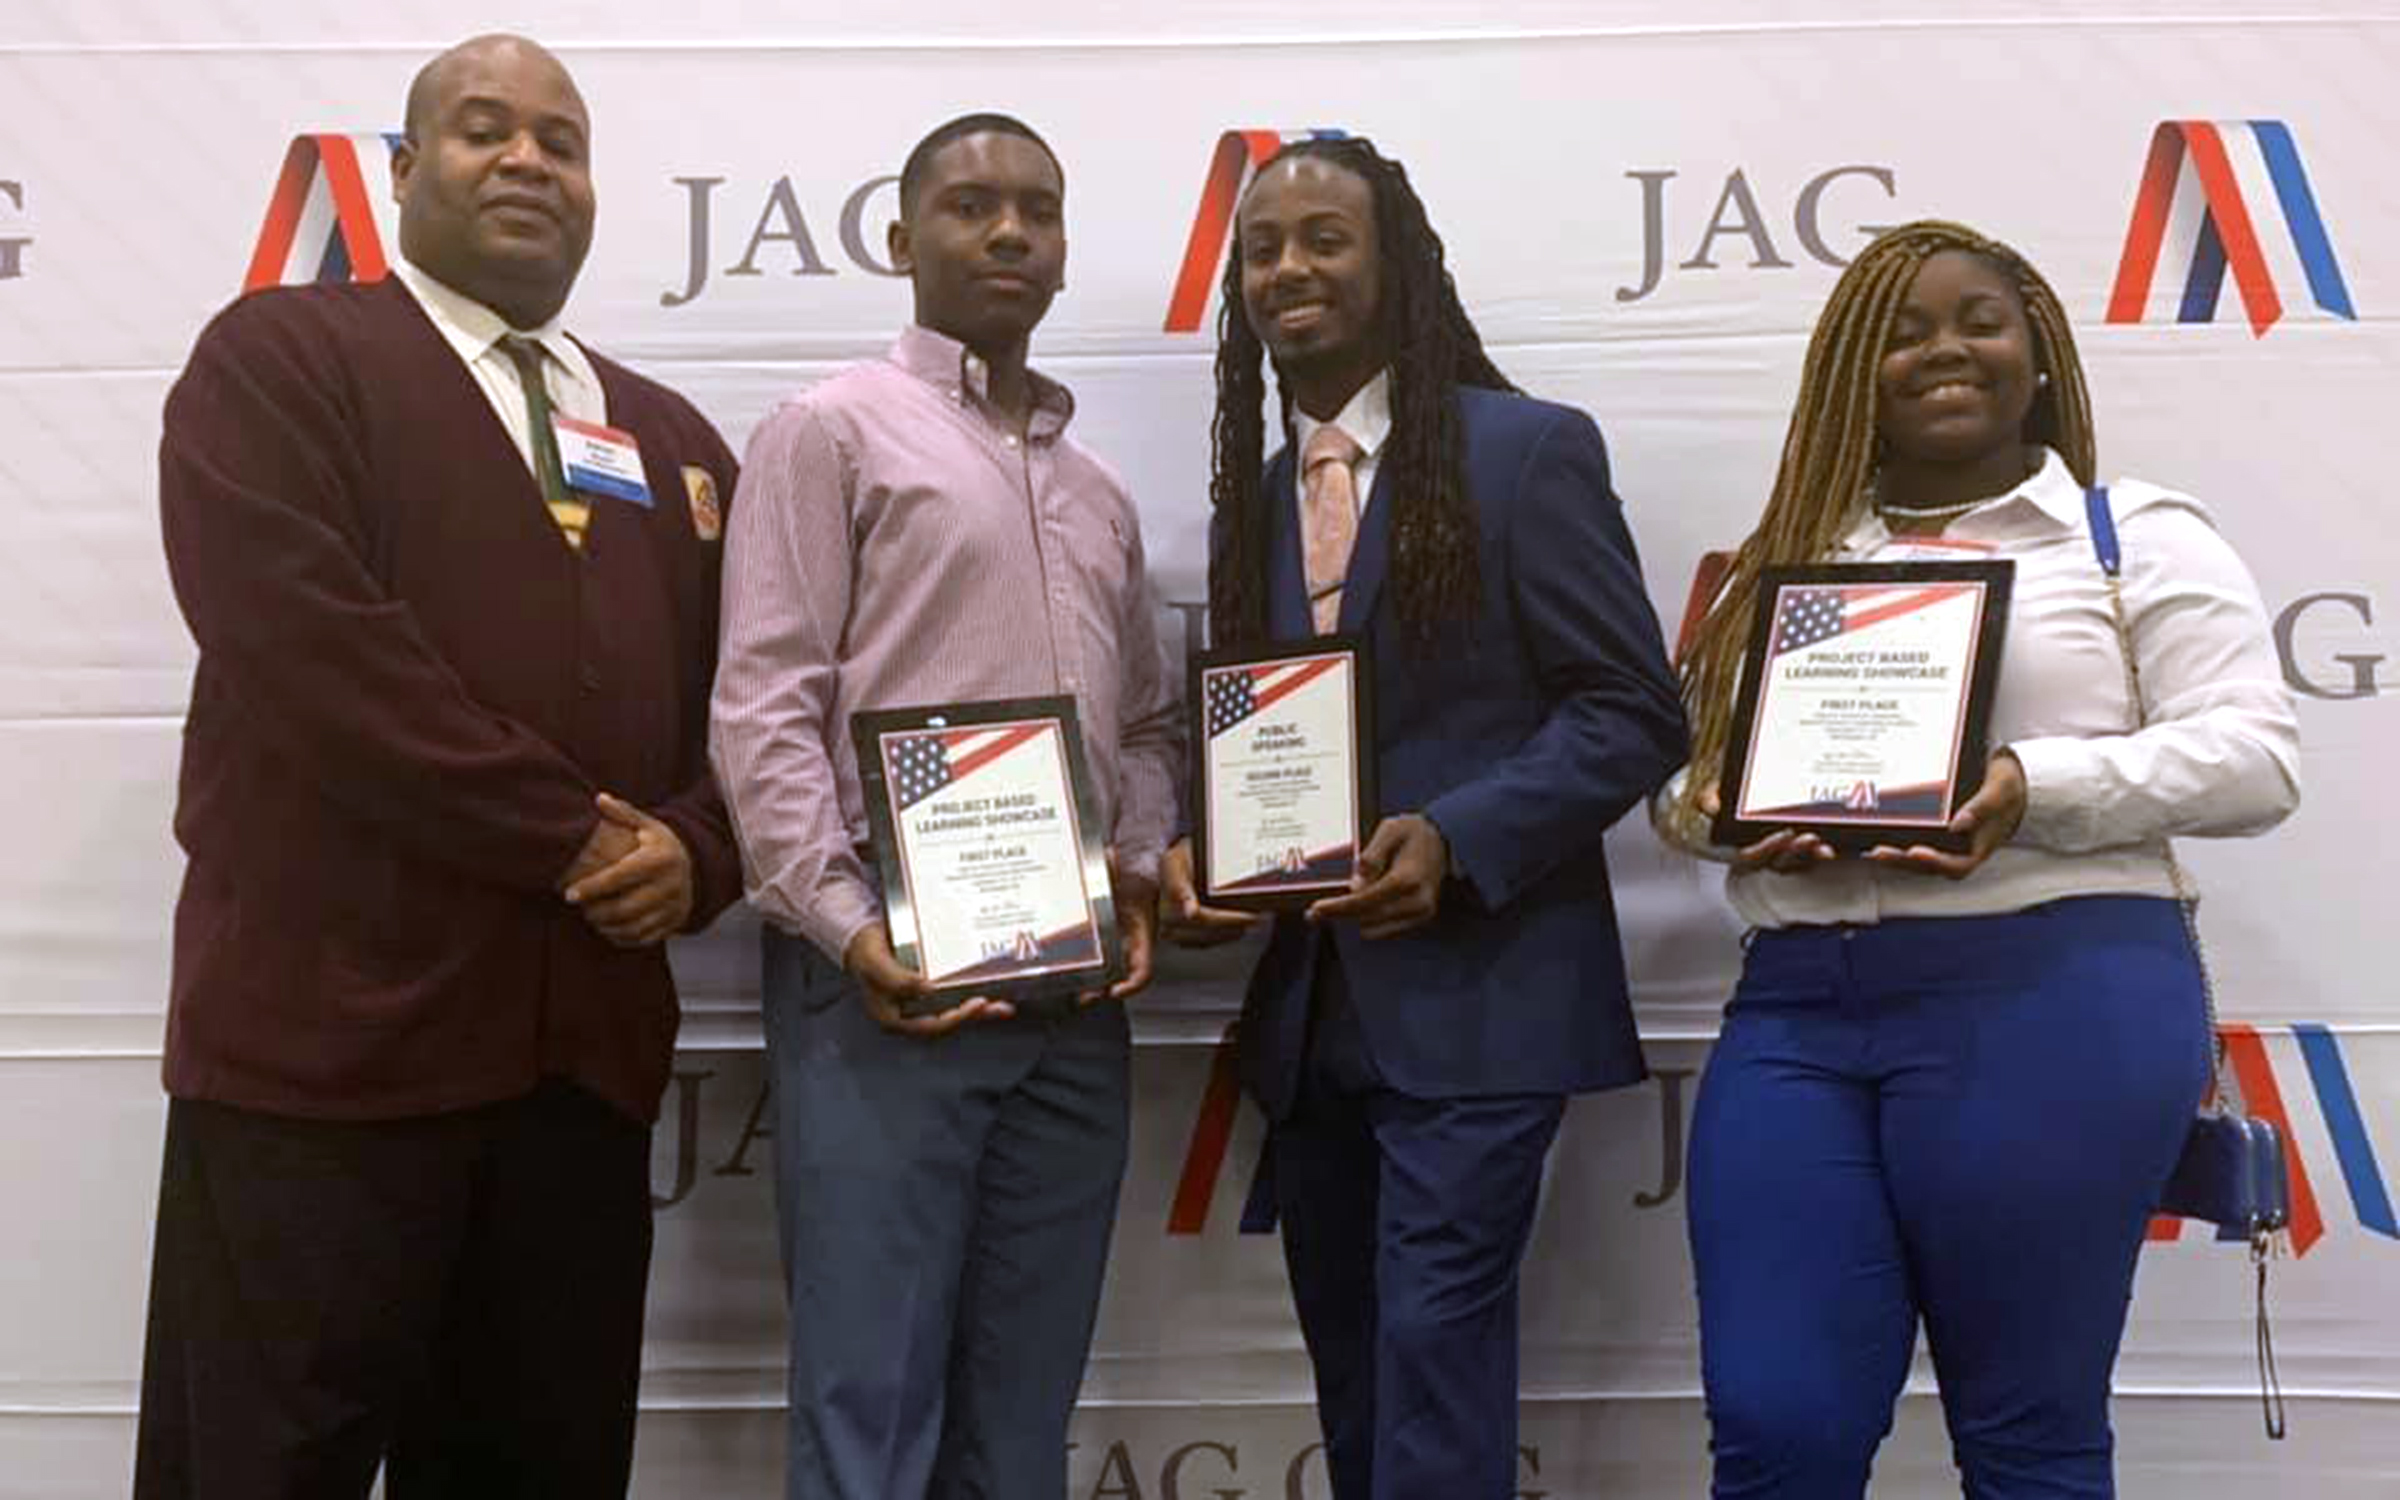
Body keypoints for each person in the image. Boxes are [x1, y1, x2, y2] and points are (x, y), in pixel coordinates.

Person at [135, 33, 744, 1499]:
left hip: (576, 1084)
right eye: (484, 130)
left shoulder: (672, 441)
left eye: (562, 142)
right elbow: (313, 655)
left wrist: (701, 852)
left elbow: (749, 717)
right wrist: (567, 833)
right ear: (402, 173)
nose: (528, 159)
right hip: (323, 1063)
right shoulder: (281, 362)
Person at [1660, 219, 2302, 1498]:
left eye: (1979, 322)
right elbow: (1685, 787)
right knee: (1777, 1427)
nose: (1944, 350)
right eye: (1902, 334)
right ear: (1854, 372)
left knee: (2027, 1435)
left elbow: (2256, 760)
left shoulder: (2131, 537)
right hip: (1798, 1011)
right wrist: (1717, 808)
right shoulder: (1787, 559)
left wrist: (2032, 787)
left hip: (2052, 999)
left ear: (2039, 354)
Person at [1159, 136, 1687, 1500]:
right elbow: (1269, 746)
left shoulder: (1525, 451)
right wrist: (1214, 861)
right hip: (1313, 1020)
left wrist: (1458, 836)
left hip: (1483, 997)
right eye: (1261, 248)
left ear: (1395, 263)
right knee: (1357, 1388)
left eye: (1324, 238)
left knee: (1436, 1380)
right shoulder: (1258, 501)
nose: (1288, 268)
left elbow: (1635, 710)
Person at [708, 113, 1180, 1500]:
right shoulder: (828, 432)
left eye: (1039, 208)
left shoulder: (1097, 492)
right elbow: (764, 704)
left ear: (1065, 249)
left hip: (1074, 1006)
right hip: (884, 991)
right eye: (972, 206)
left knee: (1021, 1429)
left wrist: (1135, 871)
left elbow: (1146, 726)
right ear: (901, 238)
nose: (1010, 231)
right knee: (872, 1412)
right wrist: (847, 925)